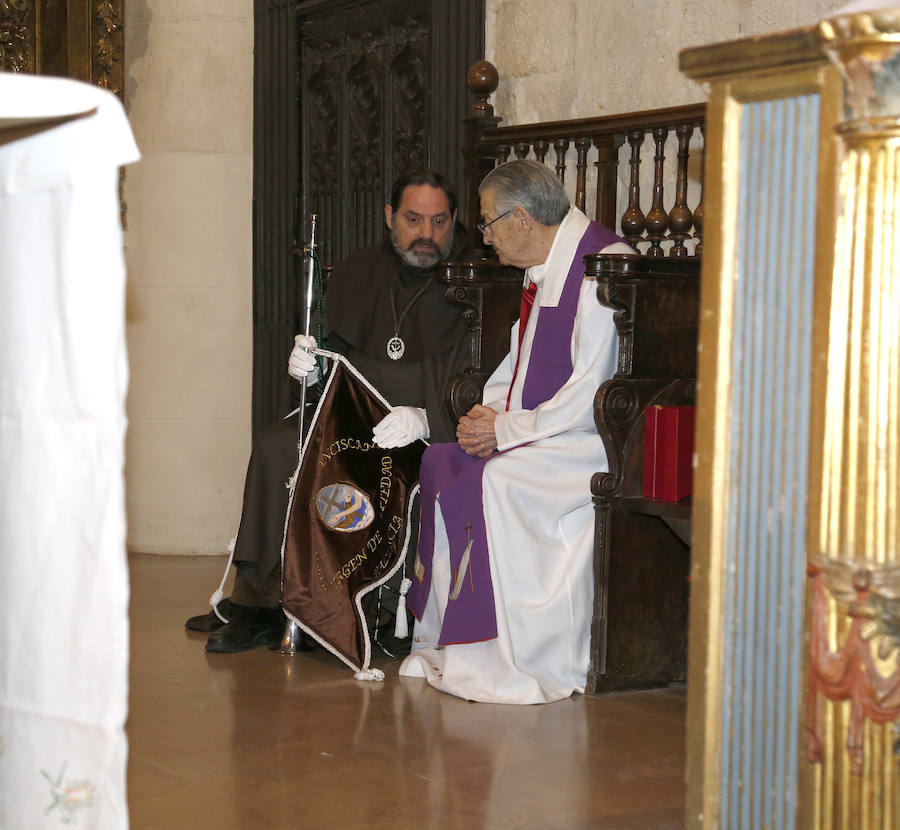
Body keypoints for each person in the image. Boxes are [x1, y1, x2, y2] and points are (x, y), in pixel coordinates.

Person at [185, 168, 472, 653]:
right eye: (413, 219)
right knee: (277, 446)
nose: (427, 234)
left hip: (417, 430)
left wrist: (427, 418)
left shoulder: (476, 279)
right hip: (348, 412)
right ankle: (257, 604)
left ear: (455, 219)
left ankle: (344, 606)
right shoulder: (360, 271)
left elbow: (486, 377)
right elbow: (333, 348)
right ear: (389, 217)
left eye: (440, 221)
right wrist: (310, 373)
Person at [397, 159, 633, 704]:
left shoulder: (601, 268)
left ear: (521, 218)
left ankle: (508, 657)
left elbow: (591, 387)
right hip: (547, 432)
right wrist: (489, 413)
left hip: (593, 440)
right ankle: (448, 643)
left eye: (486, 223)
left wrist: (506, 431)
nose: (483, 237)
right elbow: (521, 361)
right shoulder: (544, 264)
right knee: (441, 461)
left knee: (499, 481)